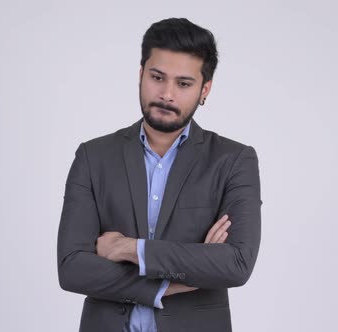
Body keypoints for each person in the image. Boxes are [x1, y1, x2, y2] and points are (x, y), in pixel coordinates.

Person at [57, 17, 262, 332]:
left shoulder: (233, 160)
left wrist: (128, 248)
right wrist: (169, 281)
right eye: (157, 77)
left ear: (204, 89)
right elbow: (72, 268)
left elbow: (236, 264)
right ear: (140, 75)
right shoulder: (93, 156)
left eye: (183, 83)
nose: (167, 94)